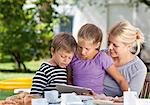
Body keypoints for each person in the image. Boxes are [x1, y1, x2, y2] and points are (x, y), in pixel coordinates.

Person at [67, 23, 128, 95]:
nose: (83, 52)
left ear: (97, 45)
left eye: (87, 49)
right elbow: (69, 79)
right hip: (76, 98)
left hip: (96, 98)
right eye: (80, 47)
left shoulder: (101, 58)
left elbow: (121, 80)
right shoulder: (73, 57)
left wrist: (127, 98)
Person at [103, 20, 147, 97]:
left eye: (115, 45)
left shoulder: (139, 69)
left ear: (129, 46)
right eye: (109, 43)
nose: (109, 47)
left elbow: (130, 99)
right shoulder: (101, 55)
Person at [30, 32, 77, 97]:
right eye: (63, 56)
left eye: (70, 58)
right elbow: (34, 95)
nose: (66, 60)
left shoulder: (65, 69)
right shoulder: (45, 70)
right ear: (52, 51)